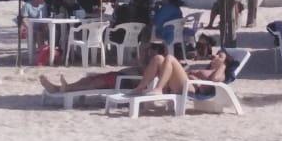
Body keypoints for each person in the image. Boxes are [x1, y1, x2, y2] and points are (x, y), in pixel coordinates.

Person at [40, 42, 188, 97]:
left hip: (125, 80)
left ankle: (65, 89)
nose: (146, 51)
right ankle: (59, 88)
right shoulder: (152, 62)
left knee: (95, 82)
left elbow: (145, 74)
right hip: (122, 76)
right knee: (89, 79)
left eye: (149, 50)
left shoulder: (156, 62)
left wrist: (142, 59)